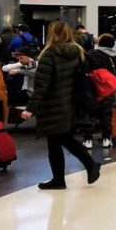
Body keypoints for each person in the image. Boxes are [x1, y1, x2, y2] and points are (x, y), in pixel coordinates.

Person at [20, 22, 102, 190]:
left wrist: (30, 108)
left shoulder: (49, 55)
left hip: (54, 105)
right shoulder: (79, 52)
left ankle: (86, 165)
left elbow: (42, 85)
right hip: (74, 103)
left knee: (59, 140)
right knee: (60, 140)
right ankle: (61, 178)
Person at [80, 34, 116, 149]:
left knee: (89, 115)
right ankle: (106, 139)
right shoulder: (113, 57)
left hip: (92, 90)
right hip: (108, 90)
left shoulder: (90, 54)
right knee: (107, 114)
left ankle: (88, 141)